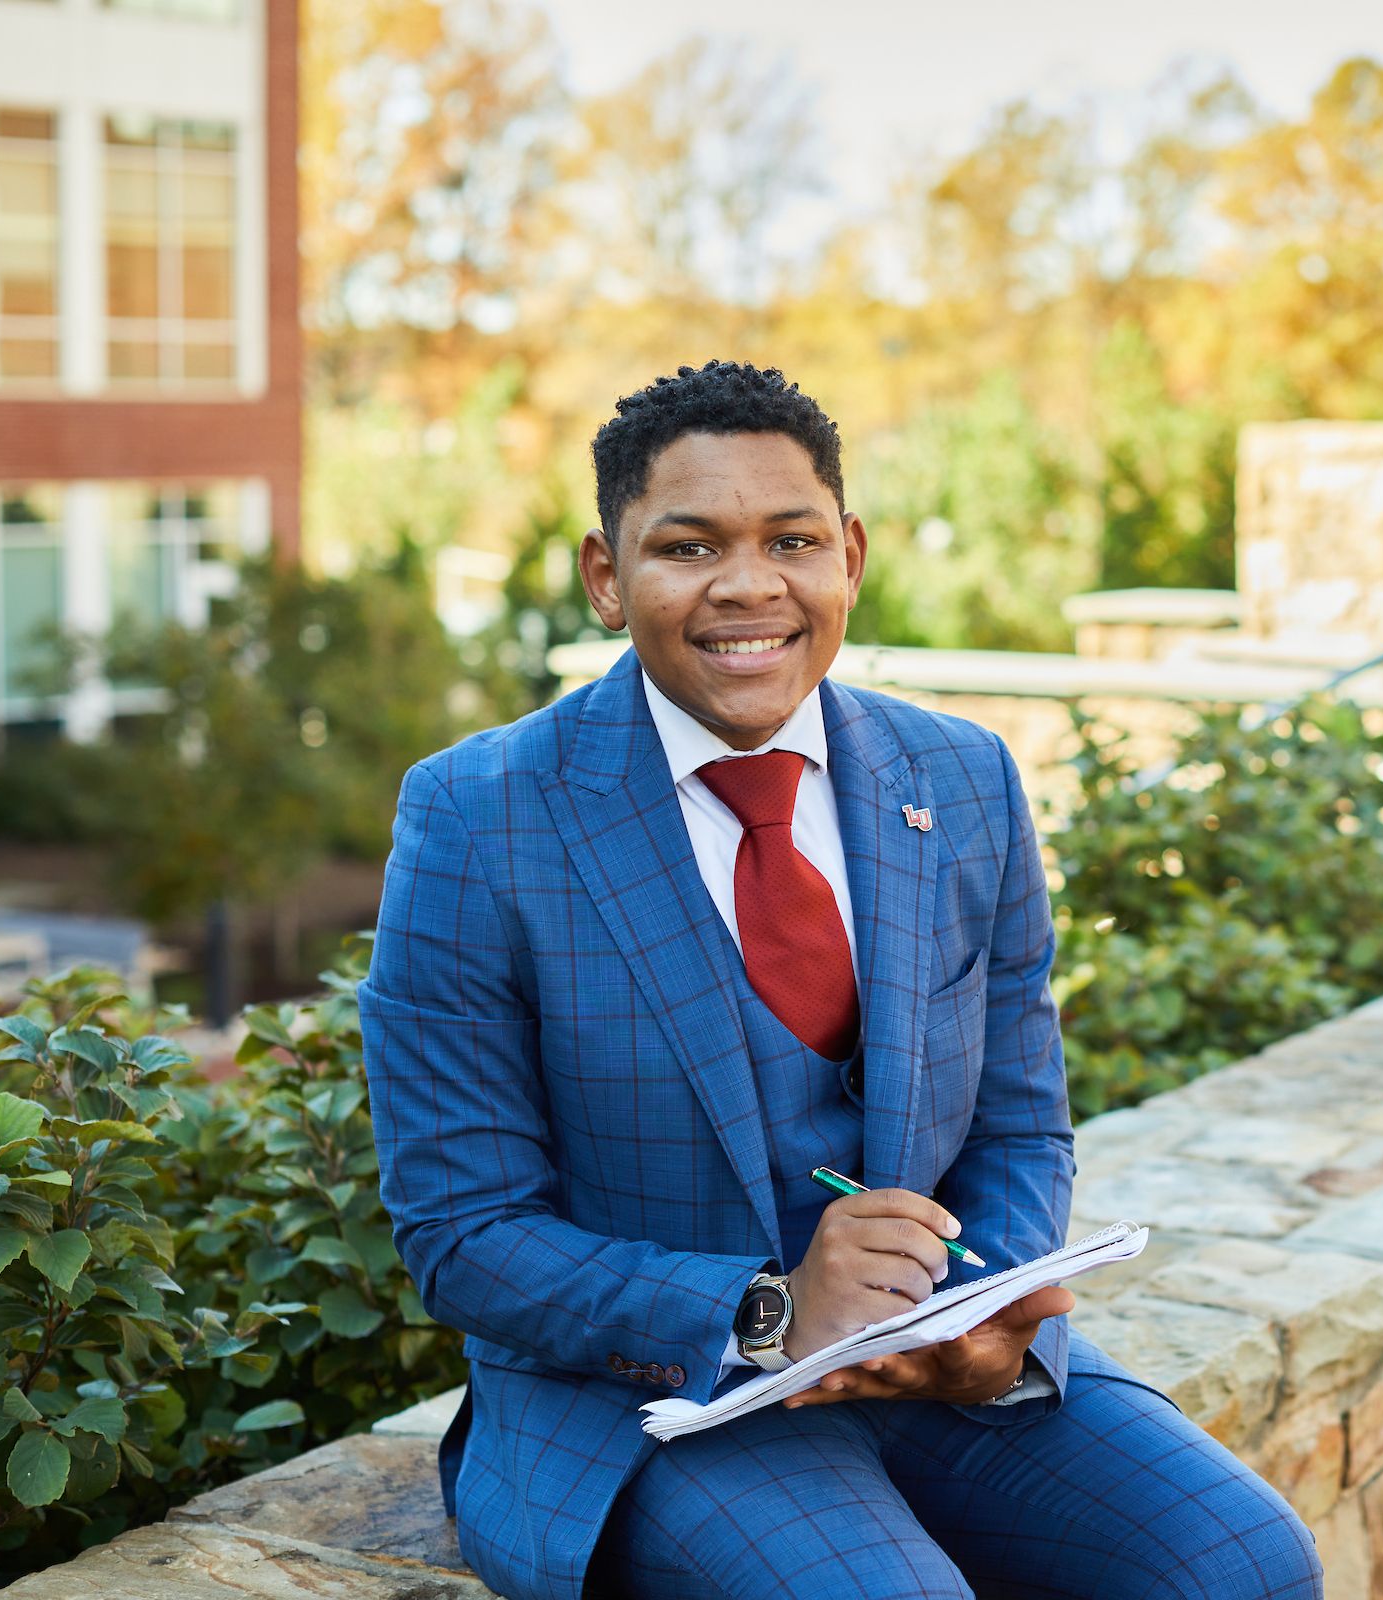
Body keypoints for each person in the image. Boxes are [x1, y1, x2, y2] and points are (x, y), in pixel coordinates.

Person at [358, 361, 1324, 1600]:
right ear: (606, 575)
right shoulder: (478, 813)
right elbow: (464, 1232)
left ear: (849, 557)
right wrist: (766, 1310)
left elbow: (1020, 1125)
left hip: (937, 1377)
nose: (748, 585)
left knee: (1248, 1563)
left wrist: (974, 1316)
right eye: (689, 546)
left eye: (792, 540)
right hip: (652, 1405)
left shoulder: (963, 776)